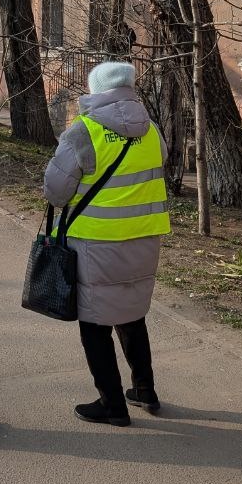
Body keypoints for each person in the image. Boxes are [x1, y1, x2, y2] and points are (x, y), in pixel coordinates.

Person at [42, 61, 170, 427]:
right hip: (145, 239)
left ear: (96, 90)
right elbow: (157, 164)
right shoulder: (151, 131)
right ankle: (144, 389)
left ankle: (112, 404)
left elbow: (55, 191)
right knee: (131, 313)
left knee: (95, 323)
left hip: (97, 245)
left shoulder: (83, 132)